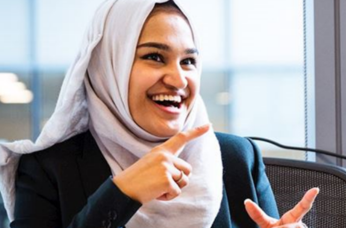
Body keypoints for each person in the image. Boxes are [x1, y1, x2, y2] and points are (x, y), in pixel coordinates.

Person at [0, 0, 318, 227]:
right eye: (154, 56)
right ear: (109, 66)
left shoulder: (236, 157)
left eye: (189, 61)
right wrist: (123, 192)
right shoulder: (47, 168)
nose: (178, 79)